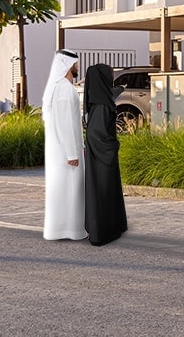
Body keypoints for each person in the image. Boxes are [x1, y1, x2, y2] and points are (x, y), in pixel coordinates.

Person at [41, 50, 85, 241]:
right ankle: (71, 230)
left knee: (62, 192)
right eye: (75, 64)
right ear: (68, 65)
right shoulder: (65, 89)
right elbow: (66, 123)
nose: (77, 67)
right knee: (71, 192)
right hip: (66, 152)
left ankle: (61, 229)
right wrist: (72, 154)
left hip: (59, 150)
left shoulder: (59, 87)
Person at [83, 64, 129, 246]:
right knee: (103, 192)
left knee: (104, 193)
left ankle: (109, 228)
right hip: (103, 159)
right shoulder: (102, 105)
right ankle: (102, 232)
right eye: (110, 75)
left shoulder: (98, 100)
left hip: (99, 157)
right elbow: (96, 133)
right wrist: (112, 146)